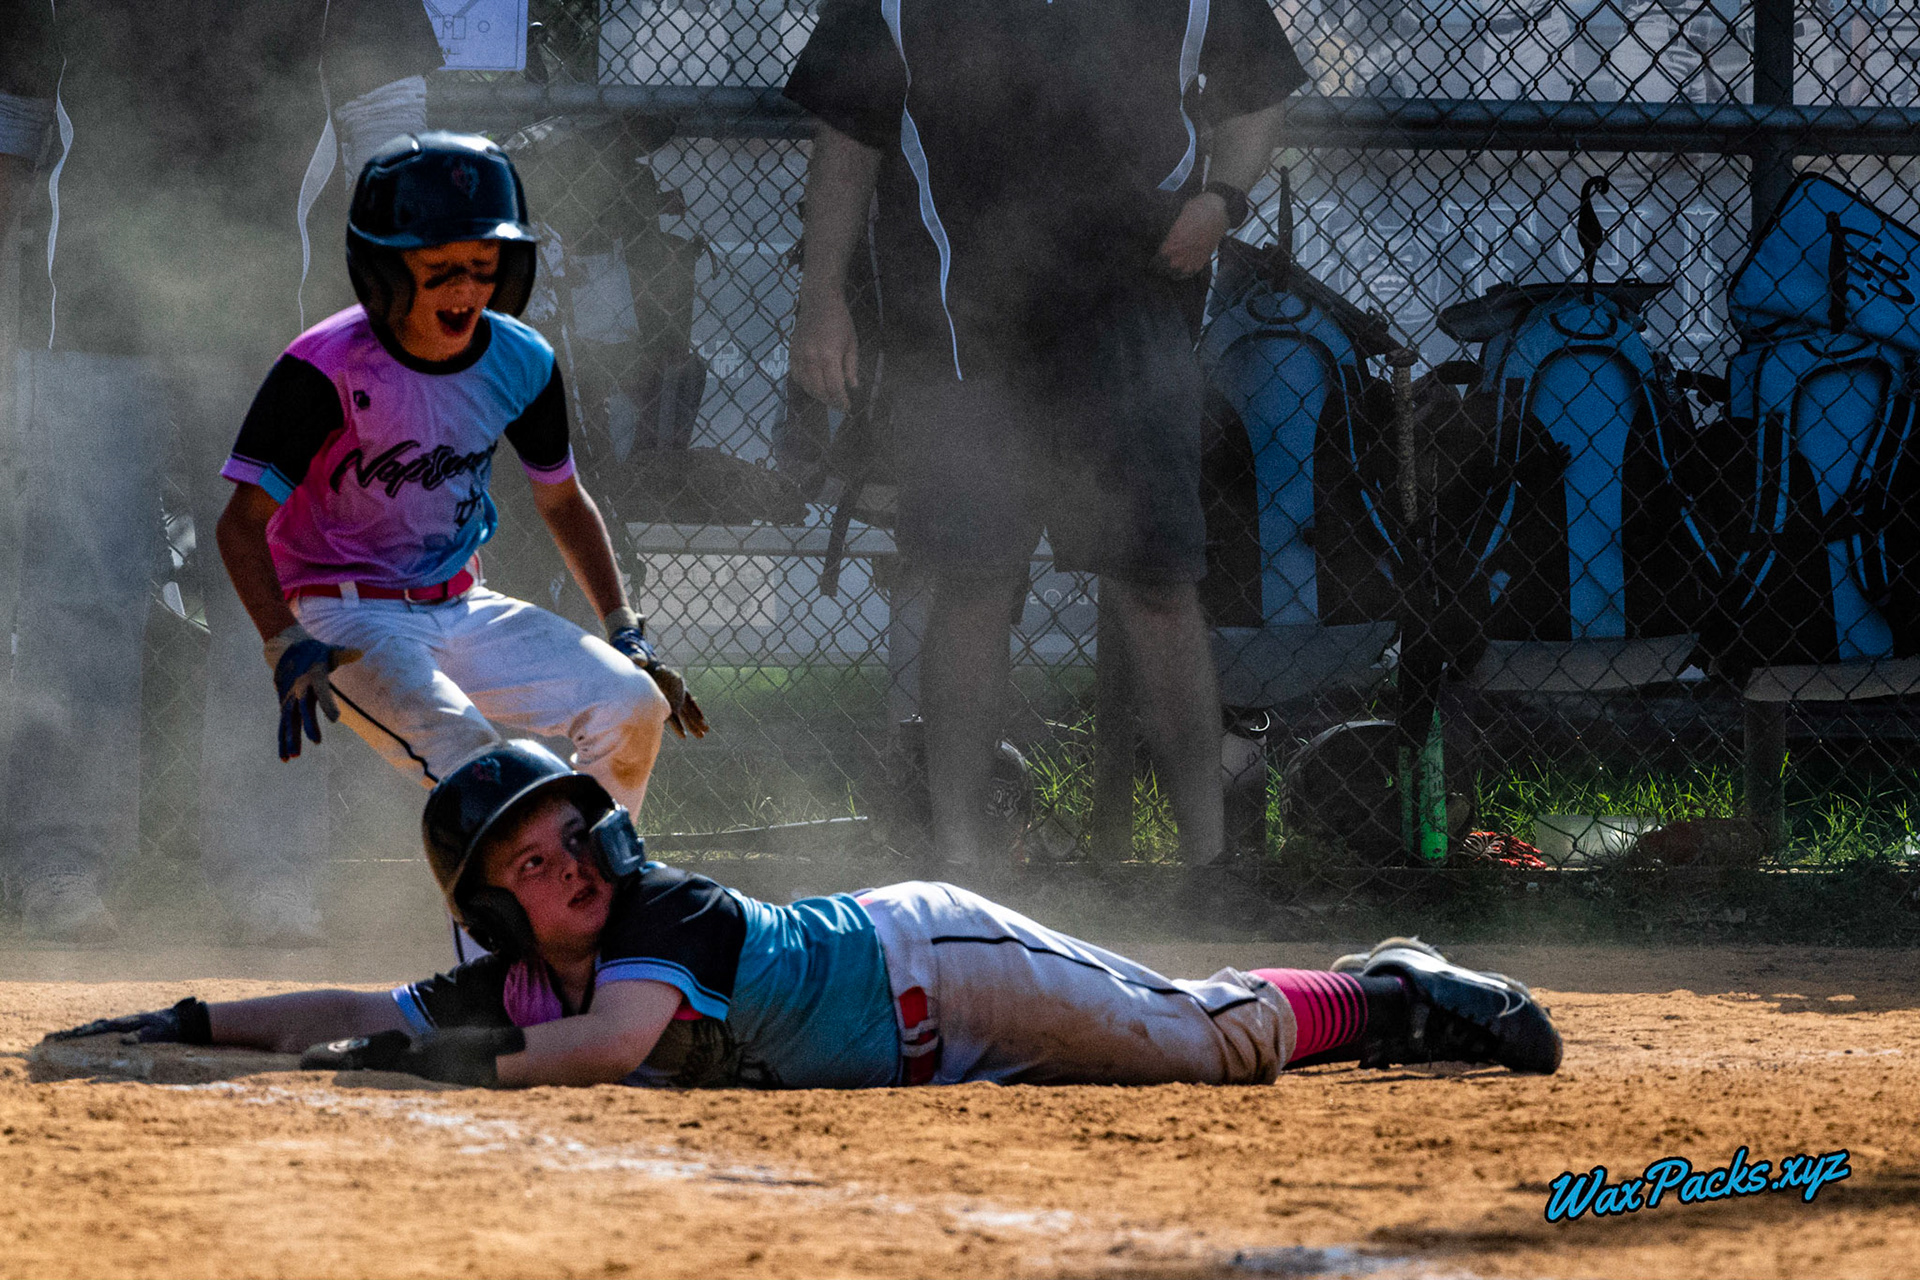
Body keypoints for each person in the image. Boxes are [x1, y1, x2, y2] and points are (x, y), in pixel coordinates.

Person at [46, 740, 1564, 1089]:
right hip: (913, 1047)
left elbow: (619, 1045)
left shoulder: (663, 921)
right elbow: (370, 1008)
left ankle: (1390, 992)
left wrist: (405, 1075)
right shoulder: (525, 989)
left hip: (936, 966)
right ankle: (1373, 991)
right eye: (528, 864)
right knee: (1178, 1029)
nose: (568, 863)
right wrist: (195, 1024)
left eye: (574, 834)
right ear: (497, 917)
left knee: (1204, 1045)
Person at [782, 0, 1311, 874]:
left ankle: (1208, 870)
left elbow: (1257, 97)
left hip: (1131, 320)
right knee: (973, 582)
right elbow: (848, 138)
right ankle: (960, 864)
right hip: (961, 327)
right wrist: (820, 298)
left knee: (1158, 586)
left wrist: (1224, 198)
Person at [0, 0, 446, 944]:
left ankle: (271, 872)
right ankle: (59, 863)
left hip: (277, 336)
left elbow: (396, 142)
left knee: (275, 597)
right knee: (77, 595)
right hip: (82, 320)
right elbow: (12, 120)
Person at [214, 132, 707, 956]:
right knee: (484, 768)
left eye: (484, 266)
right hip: (347, 619)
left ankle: (584, 922)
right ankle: (496, 976)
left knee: (631, 706)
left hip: (461, 604)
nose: (465, 288)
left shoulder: (522, 360)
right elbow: (240, 524)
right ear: (383, 270)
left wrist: (626, 630)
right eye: (438, 267)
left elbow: (563, 499)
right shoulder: (326, 368)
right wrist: (281, 636)